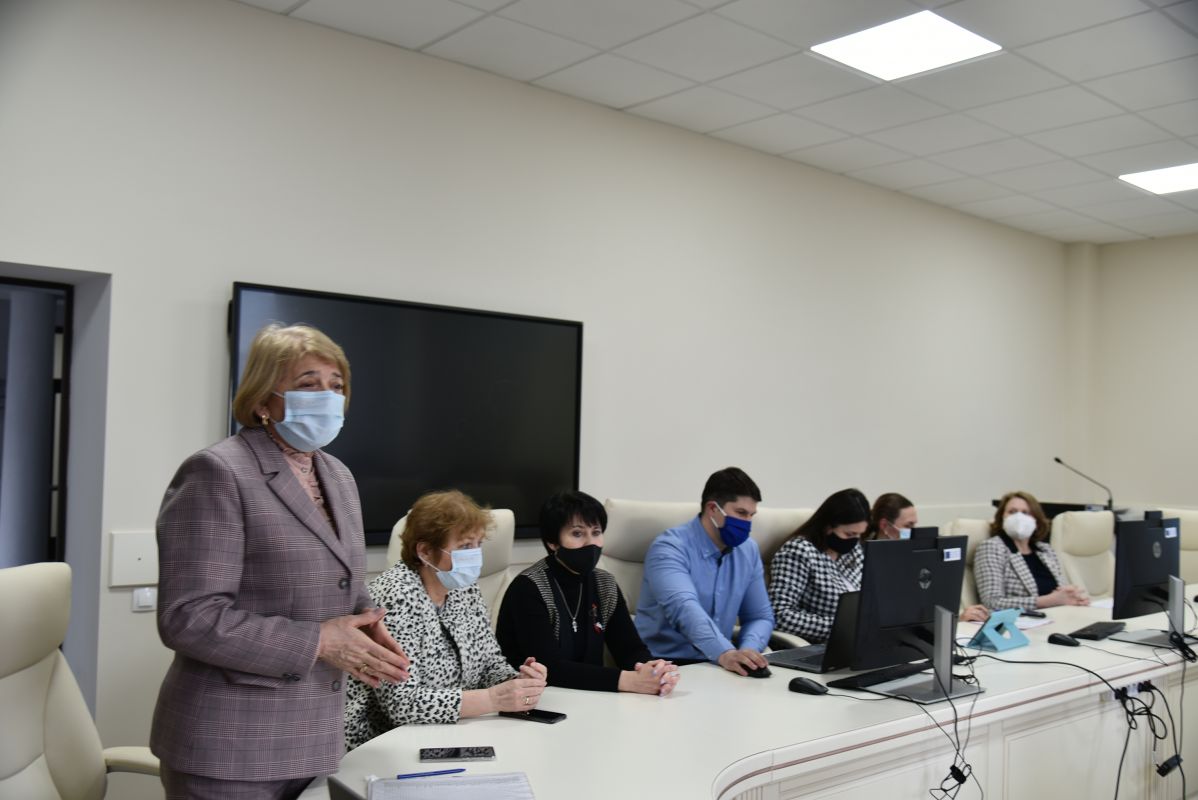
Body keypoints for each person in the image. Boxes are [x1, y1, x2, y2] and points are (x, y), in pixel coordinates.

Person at [151, 323, 411, 800]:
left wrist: (366, 624)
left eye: (336, 386)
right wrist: (320, 640)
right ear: (262, 402)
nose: (327, 397)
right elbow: (189, 617)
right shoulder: (218, 471)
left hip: (314, 736)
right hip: (230, 747)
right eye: (308, 384)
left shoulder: (338, 475)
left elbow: (340, 580)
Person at [344, 490, 548, 750]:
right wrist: (492, 699)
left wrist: (519, 682)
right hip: (383, 743)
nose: (475, 555)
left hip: (451, 734)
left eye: (478, 544)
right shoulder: (394, 597)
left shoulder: (465, 589)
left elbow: (489, 665)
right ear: (425, 552)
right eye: (465, 546)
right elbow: (401, 704)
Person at [497, 491, 681, 696]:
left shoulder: (604, 584)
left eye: (596, 532)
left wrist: (653, 672)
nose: (590, 543)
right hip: (535, 700)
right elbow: (550, 668)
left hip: (591, 697)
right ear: (552, 542)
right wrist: (628, 680)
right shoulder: (529, 587)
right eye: (577, 534)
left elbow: (630, 649)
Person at [635, 467, 774, 676]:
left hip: (719, 664)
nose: (747, 523)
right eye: (741, 513)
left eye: (751, 515)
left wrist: (748, 652)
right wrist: (725, 652)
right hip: (663, 665)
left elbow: (759, 616)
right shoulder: (669, 548)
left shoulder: (748, 550)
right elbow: (684, 608)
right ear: (712, 509)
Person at [868, 492, 990, 623]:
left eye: (914, 525)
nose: (913, 531)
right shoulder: (867, 561)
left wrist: (958, 618)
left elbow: (930, 603)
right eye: (908, 526)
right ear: (884, 526)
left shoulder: (919, 557)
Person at [769, 488, 869, 643]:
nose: (855, 541)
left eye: (859, 534)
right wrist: (840, 627)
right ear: (828, 526)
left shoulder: (852, 550)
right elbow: (779, 614)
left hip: (860, 639)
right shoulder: (799, 551)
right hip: (822, 644)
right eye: (849, 534)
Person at [974, 490, 1089, 611]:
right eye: (1012, 512)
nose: (1019, 517)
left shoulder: (1045, 550)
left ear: (1036, 520)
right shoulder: (992, 547)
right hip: (1023, 619)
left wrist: (1073, 597)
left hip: (1058, 614)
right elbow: (991, 602)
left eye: (1026, 512)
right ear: (1001, 517)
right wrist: (1049, 601)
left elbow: (1060, 593)